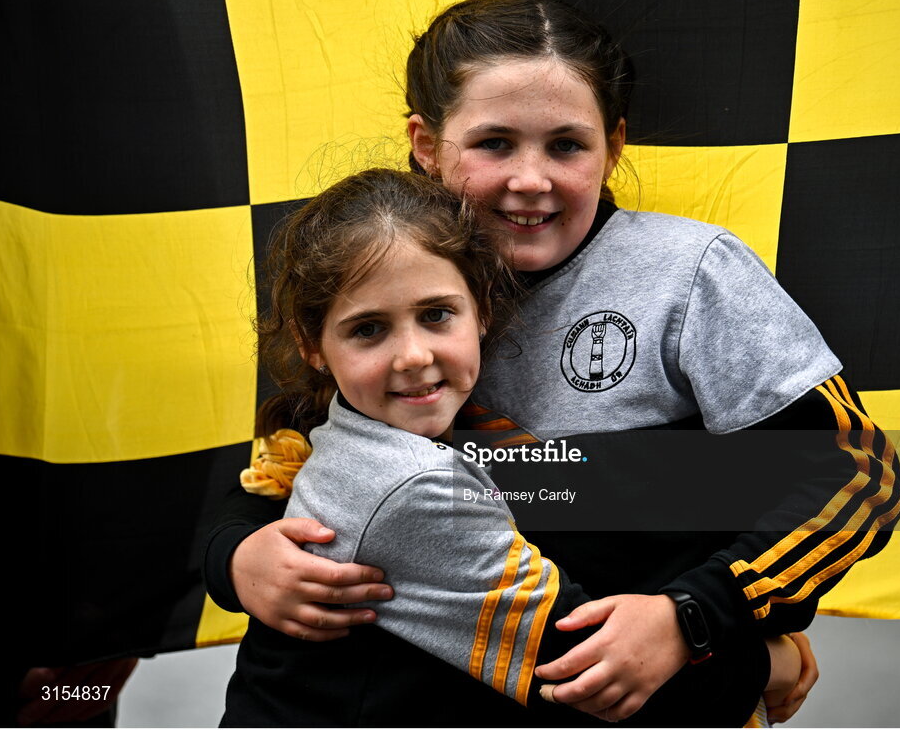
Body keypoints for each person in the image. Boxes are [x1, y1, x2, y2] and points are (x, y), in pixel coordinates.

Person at [206, 0, 900, 726]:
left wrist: (696, 616)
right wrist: (239, 554)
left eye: (567, 145)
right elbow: (295, 454)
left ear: (615, 146)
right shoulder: (381, 264)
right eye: (494, 143)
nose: (530, 179)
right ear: (426, 142)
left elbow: (856, 473)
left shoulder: (689, 275)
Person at [221, 167, 802, 727]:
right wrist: (772, 662)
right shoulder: (415, 487)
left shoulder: (366, 425)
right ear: (311, 344)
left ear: (482, 309)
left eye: (435, 315)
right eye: (368, 329)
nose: (414, 356)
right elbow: (586, 679)